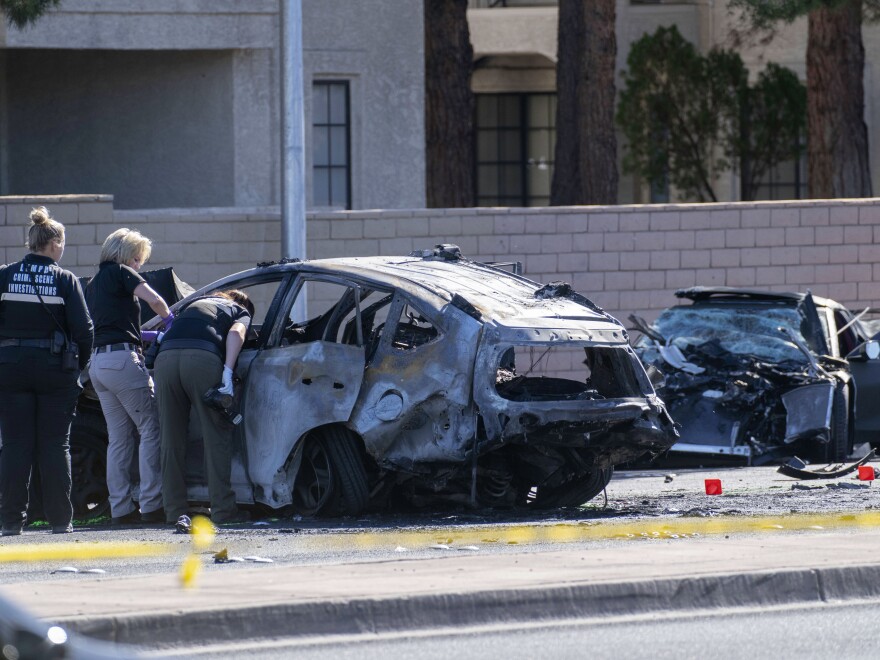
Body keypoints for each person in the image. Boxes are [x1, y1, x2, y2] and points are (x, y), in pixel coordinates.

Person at [0, 207, 93, 536]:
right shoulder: (65, 279)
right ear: (53, 244)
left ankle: (11, 522)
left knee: (14, 445)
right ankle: (59, 521)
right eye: (63, 242)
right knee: (55, 445)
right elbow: (84, 331)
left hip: (10, 368)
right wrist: (76, 370)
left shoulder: (5, 274)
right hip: (55, 370)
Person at [86, 228, 173, 526]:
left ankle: (121, 508)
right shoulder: (123, 272)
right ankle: (151, 505)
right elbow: (157, 301)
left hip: (99, 364)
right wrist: (171, 321)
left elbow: (110, 324)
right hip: (122, 362)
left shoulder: (95, 282)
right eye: (138, 259)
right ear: (126, 255)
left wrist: (145, 334)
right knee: (151, 429)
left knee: (119, 438)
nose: (140, 266)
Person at [154, 290, 253, 525]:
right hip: (202, 359)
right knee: (216, 434)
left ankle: (174, 511)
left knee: (170, 438)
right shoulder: (239, 310)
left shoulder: (194, 304)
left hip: (165, 360)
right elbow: (236, 333)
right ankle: (223, 511)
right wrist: (228, 372)